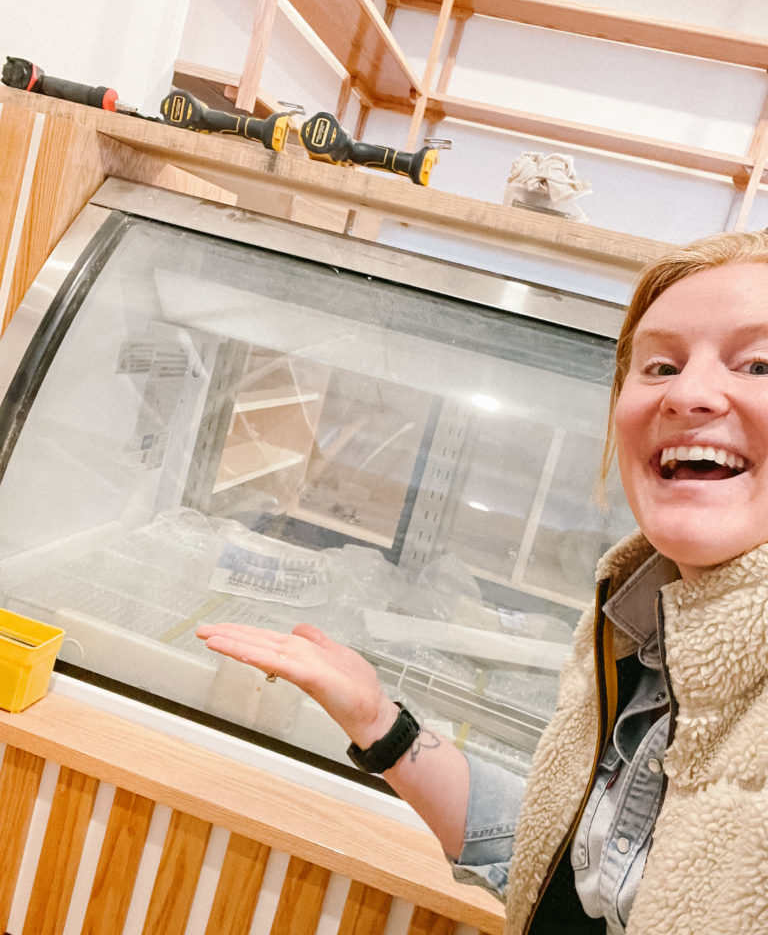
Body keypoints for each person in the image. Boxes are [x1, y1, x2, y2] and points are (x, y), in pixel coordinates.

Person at [198, 229, 768, 935]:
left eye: (759, 364)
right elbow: (561, 861)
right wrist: (381, 724)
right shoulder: (638, 631)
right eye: (658, 366)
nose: (689, 393)